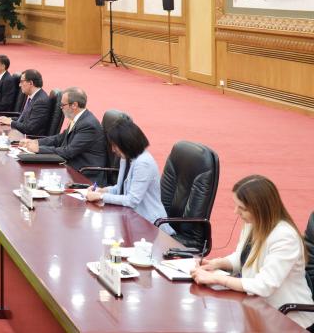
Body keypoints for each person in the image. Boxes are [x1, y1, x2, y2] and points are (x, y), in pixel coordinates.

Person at [194, 175, 314, 331]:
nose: (236, 211)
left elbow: (264, 285)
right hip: (258, 308)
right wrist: (216, 263)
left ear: (260, 209)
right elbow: (242, 258)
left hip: (288, 317)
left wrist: (218, 278)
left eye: (242, 208)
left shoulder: (284, 237)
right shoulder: (252, 223)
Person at [84, 117, 174, 234]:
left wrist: (100, 197)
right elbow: (121, 189)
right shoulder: (127, 158)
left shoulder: (143, 163)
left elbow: (132, 200)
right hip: (131, 217)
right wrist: (102, 190)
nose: (112, 150)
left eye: (115, 145)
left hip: (149, 224)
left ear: (127, 144)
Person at [22, 87, 107, 175]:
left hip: (85, 174)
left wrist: (39, 149)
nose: (61, 108)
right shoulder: (80, 118)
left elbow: (69, 151)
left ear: (74, 105)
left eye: (63, 105)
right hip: (72, 167)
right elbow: (60, 138)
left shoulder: (88, 125)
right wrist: (36, 142)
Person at [0, 69, 52, 137]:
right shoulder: (33, 97)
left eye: (22, 82)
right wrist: (8, 119)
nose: (20, 85)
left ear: (31, 83)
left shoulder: (41, 102)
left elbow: (30, 129)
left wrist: (11, 122)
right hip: (21, 135)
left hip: (30, 140)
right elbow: (24, 119)